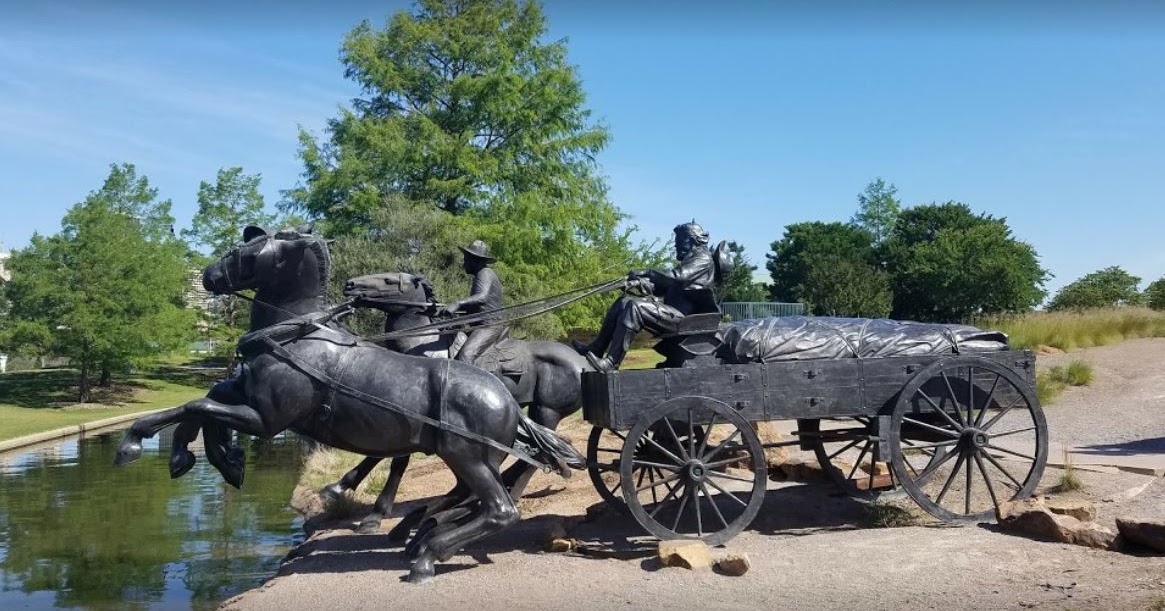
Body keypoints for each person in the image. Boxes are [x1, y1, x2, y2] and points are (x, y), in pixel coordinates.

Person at [573, 221, 716, 372]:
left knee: (635, 308)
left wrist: (647, 272)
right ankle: (597, 348)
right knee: (623, 302)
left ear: (692, 240)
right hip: (674, 313)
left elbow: (676, 277)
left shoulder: (703, 258)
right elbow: (665, 286)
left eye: (679, 242)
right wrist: (639, 284)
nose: (676, 246)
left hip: (686, 319)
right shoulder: (690, 259)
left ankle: (612, 362)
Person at [439, 240, 506, 365]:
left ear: (475, 260)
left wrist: (458, 303)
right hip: (478, 325)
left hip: (489, 326)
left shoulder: (485, 273)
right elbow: (476, 307)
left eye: (466, 260)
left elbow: (482, 296)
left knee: (465, 355)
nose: (464, 263)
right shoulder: (479, 275)